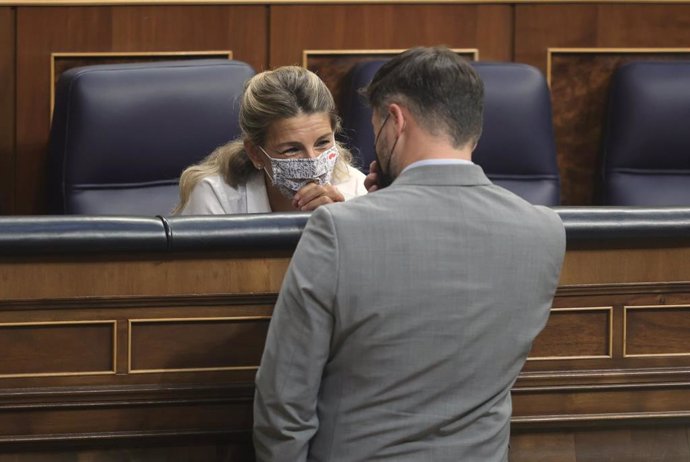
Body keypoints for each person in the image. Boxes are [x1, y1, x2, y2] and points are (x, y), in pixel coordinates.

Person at [253, 47, 566, 461]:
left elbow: (284, 404)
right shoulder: (544, 231)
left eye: (376, 126)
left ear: (395, 121)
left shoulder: (338, 229)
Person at [174, 66, 366, 215]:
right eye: (291, 149)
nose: (313, 161)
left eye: (322, 143)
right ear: (256, 153)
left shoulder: (356, 188)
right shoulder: (216, 196)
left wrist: (340, 224)